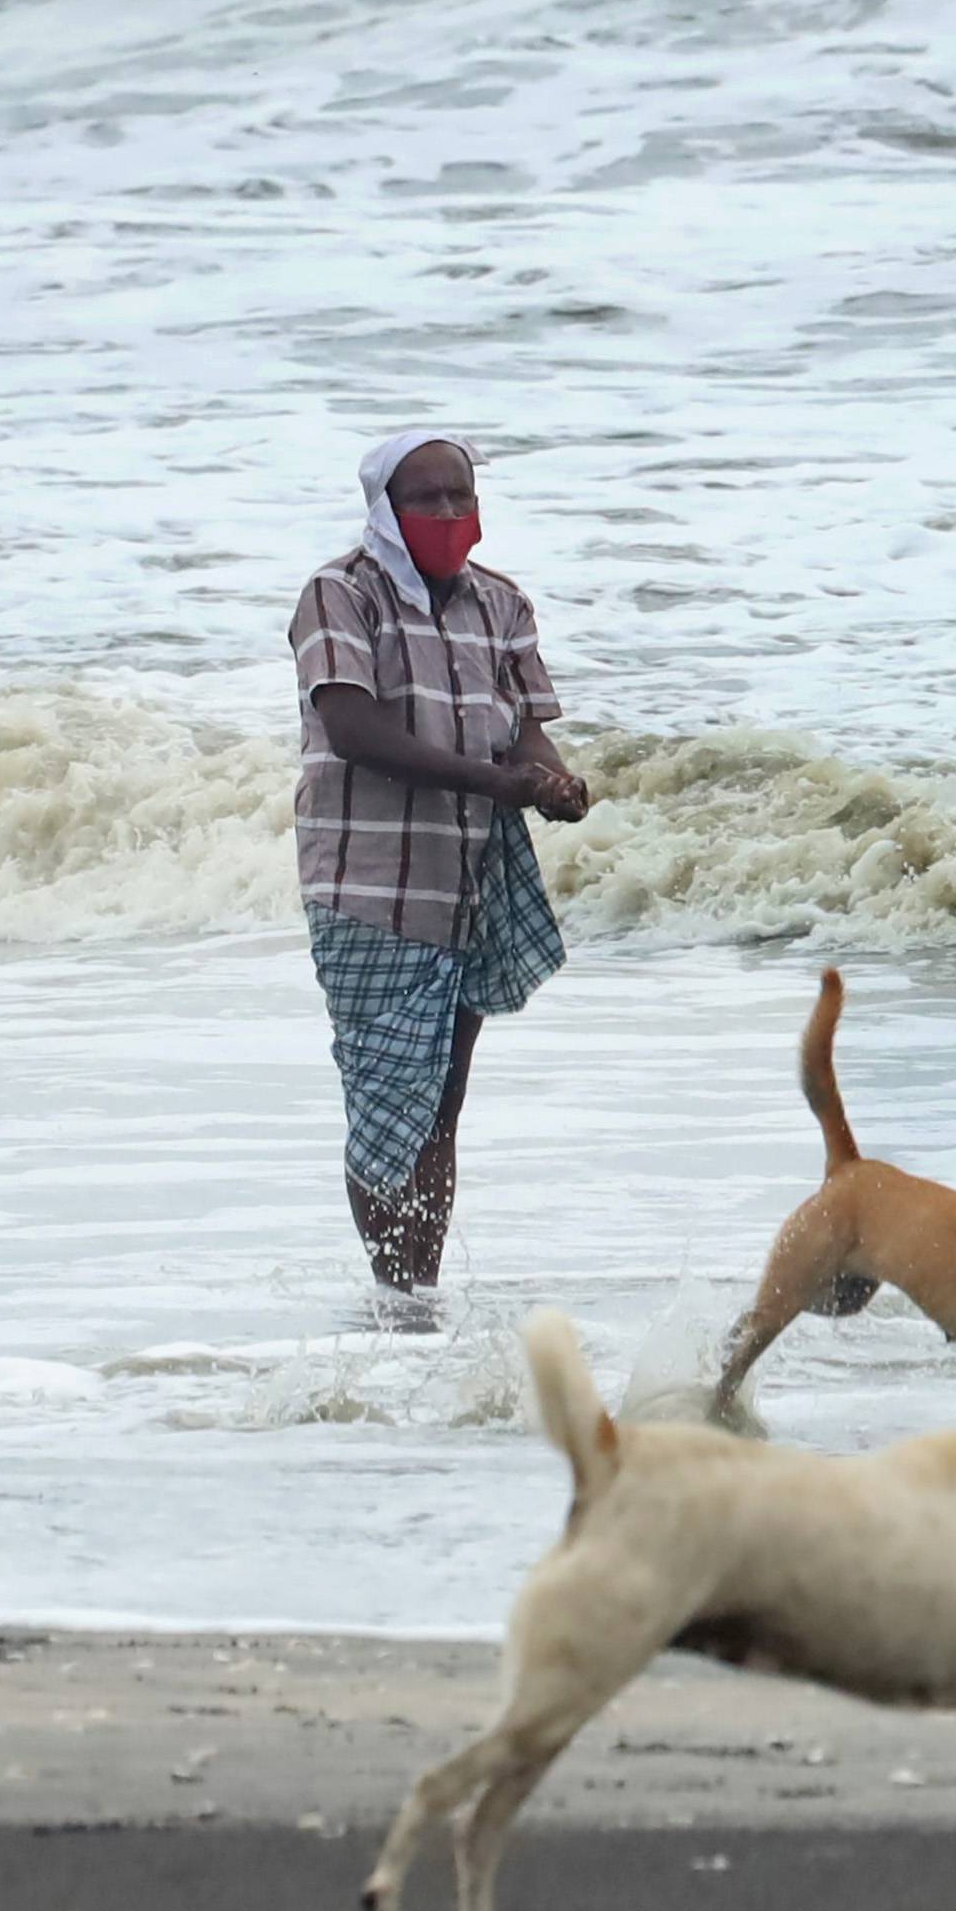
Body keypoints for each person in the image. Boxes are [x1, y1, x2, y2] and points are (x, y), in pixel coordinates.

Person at [290, 431, 589, 1291]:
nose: (450, 512)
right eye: (428, 498)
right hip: (368, 889)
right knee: (387, 1106)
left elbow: (524, 727)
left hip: (469, 883)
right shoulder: (341, 594)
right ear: (387, 508)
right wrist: (497, 781)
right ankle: (396, 1294)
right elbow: (355, 728)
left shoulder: (500, 602)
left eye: (462, 495)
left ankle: (415, 1296)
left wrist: (552, 780)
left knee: (442, 1103)